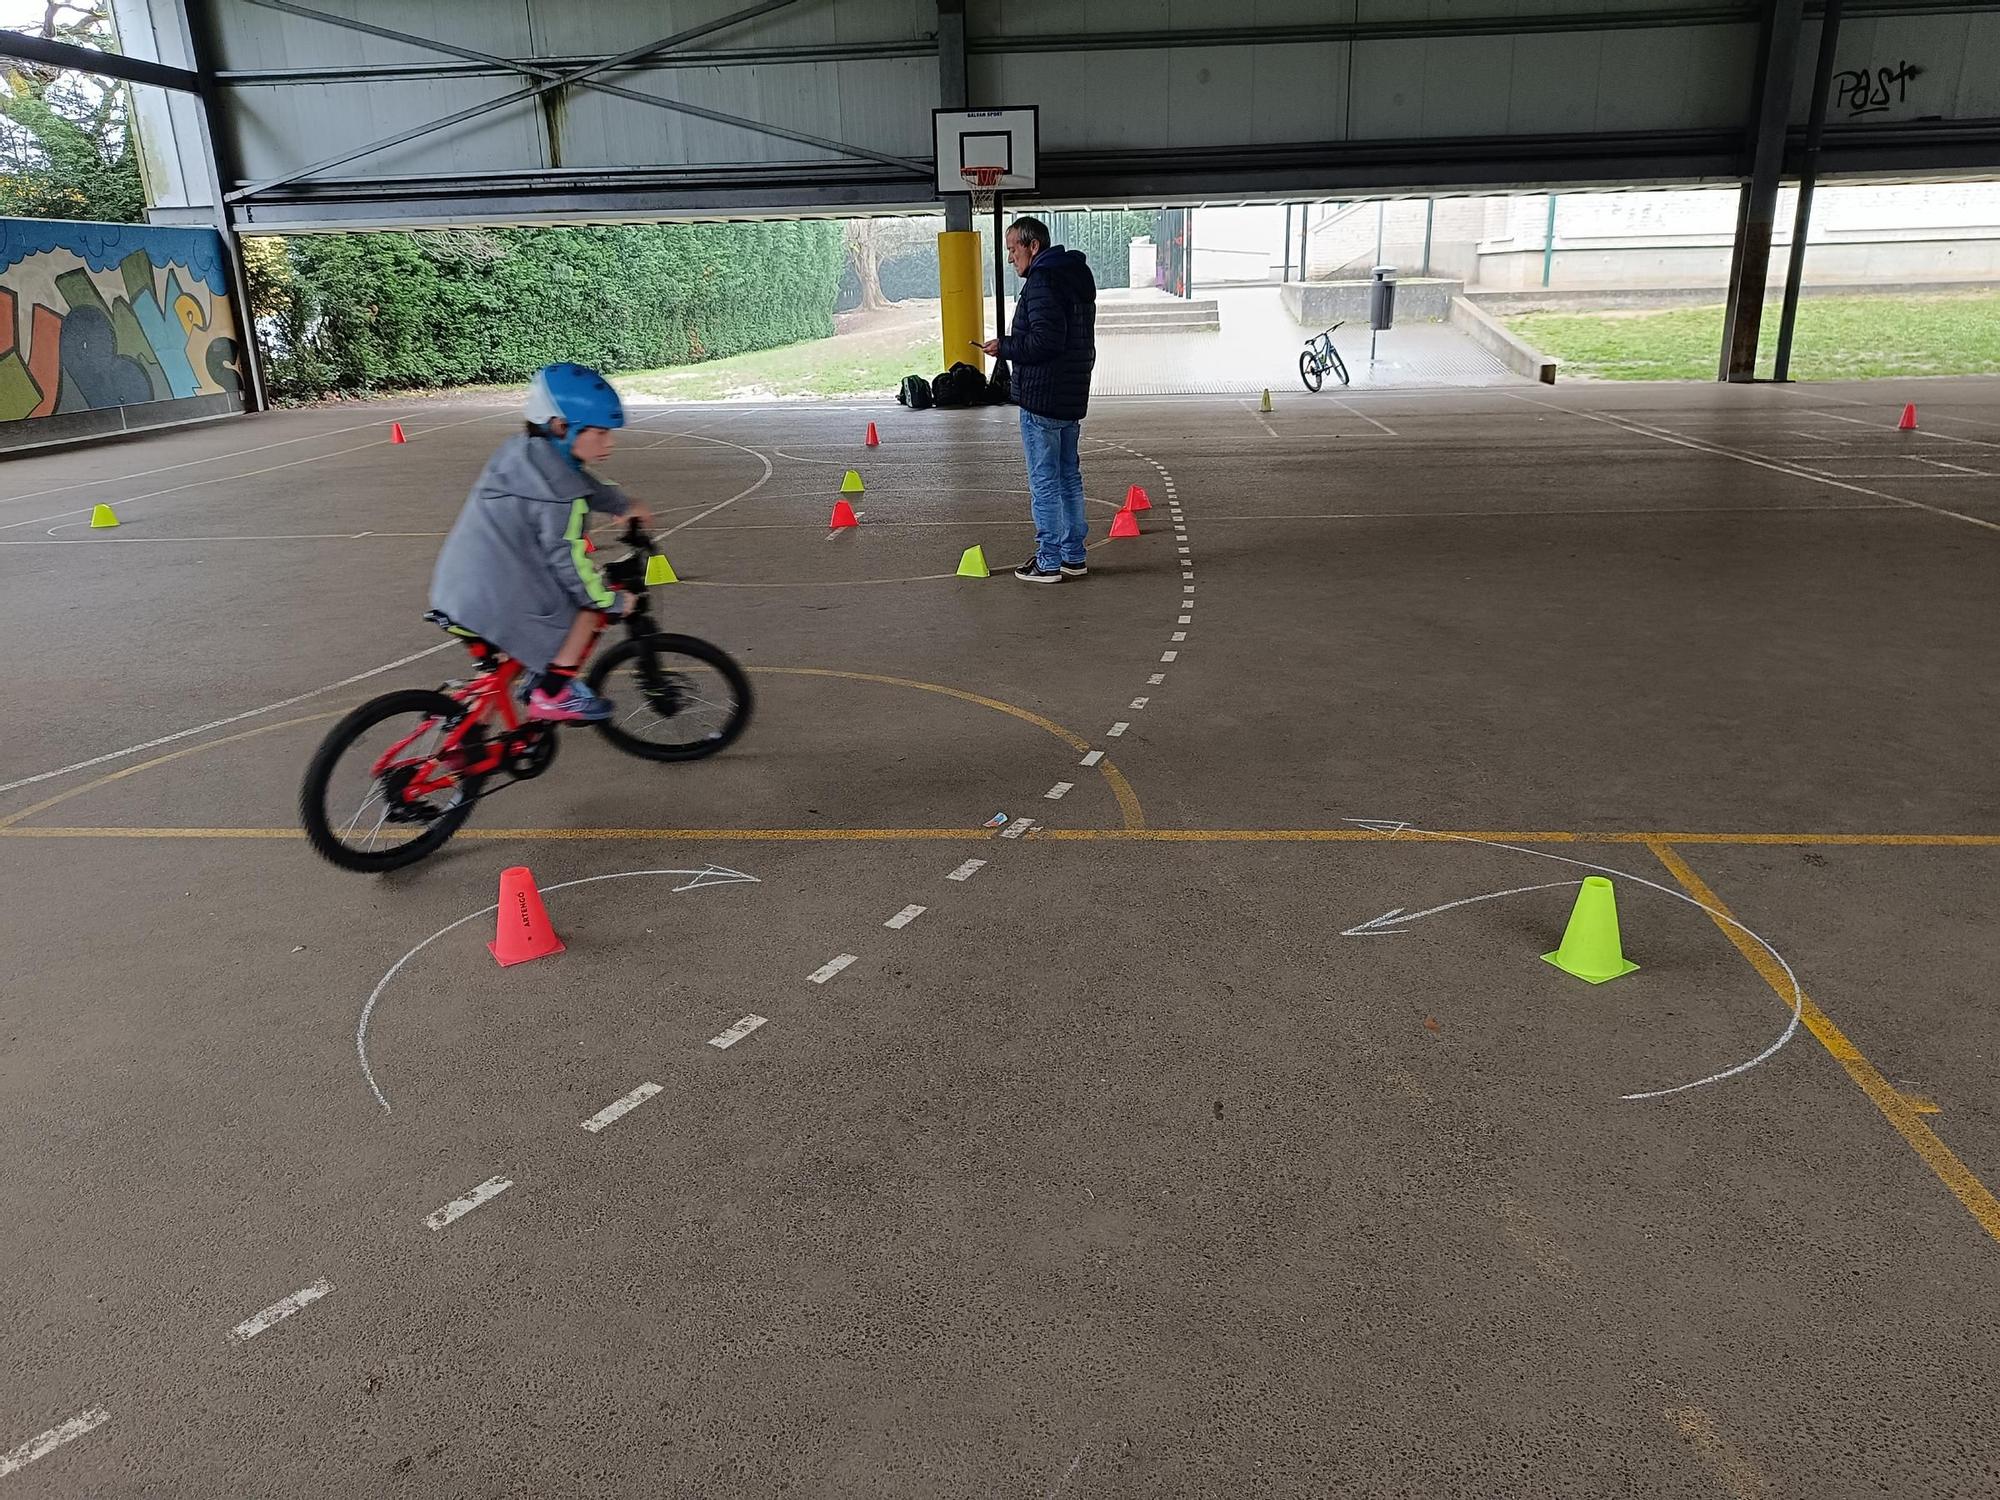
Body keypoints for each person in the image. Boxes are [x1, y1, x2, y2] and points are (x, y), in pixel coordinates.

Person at [429, 363, 650, 723]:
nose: (609, 442)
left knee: (514, 650)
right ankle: (553, 693)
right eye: (600, 433)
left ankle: (471, 730)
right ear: (562, 427)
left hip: (458, 586)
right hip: (493, 598)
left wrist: (620, 504)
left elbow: (577, 483)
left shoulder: (522, 452)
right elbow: (569, 562)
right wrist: (609, 600)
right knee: (585, 608)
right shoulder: (562, 498)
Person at [982, 216, 1097, 585]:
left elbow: (1046, 340)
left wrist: (1005, 347)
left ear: (1034, 246)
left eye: (1013, 248)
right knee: (1068, 479)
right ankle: (1073, 556)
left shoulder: (1043, 281)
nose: (1011, 256)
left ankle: (1048, 561)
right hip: (1070, 394)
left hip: (1043, 396)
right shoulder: (1074, 277)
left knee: (1045, 482)